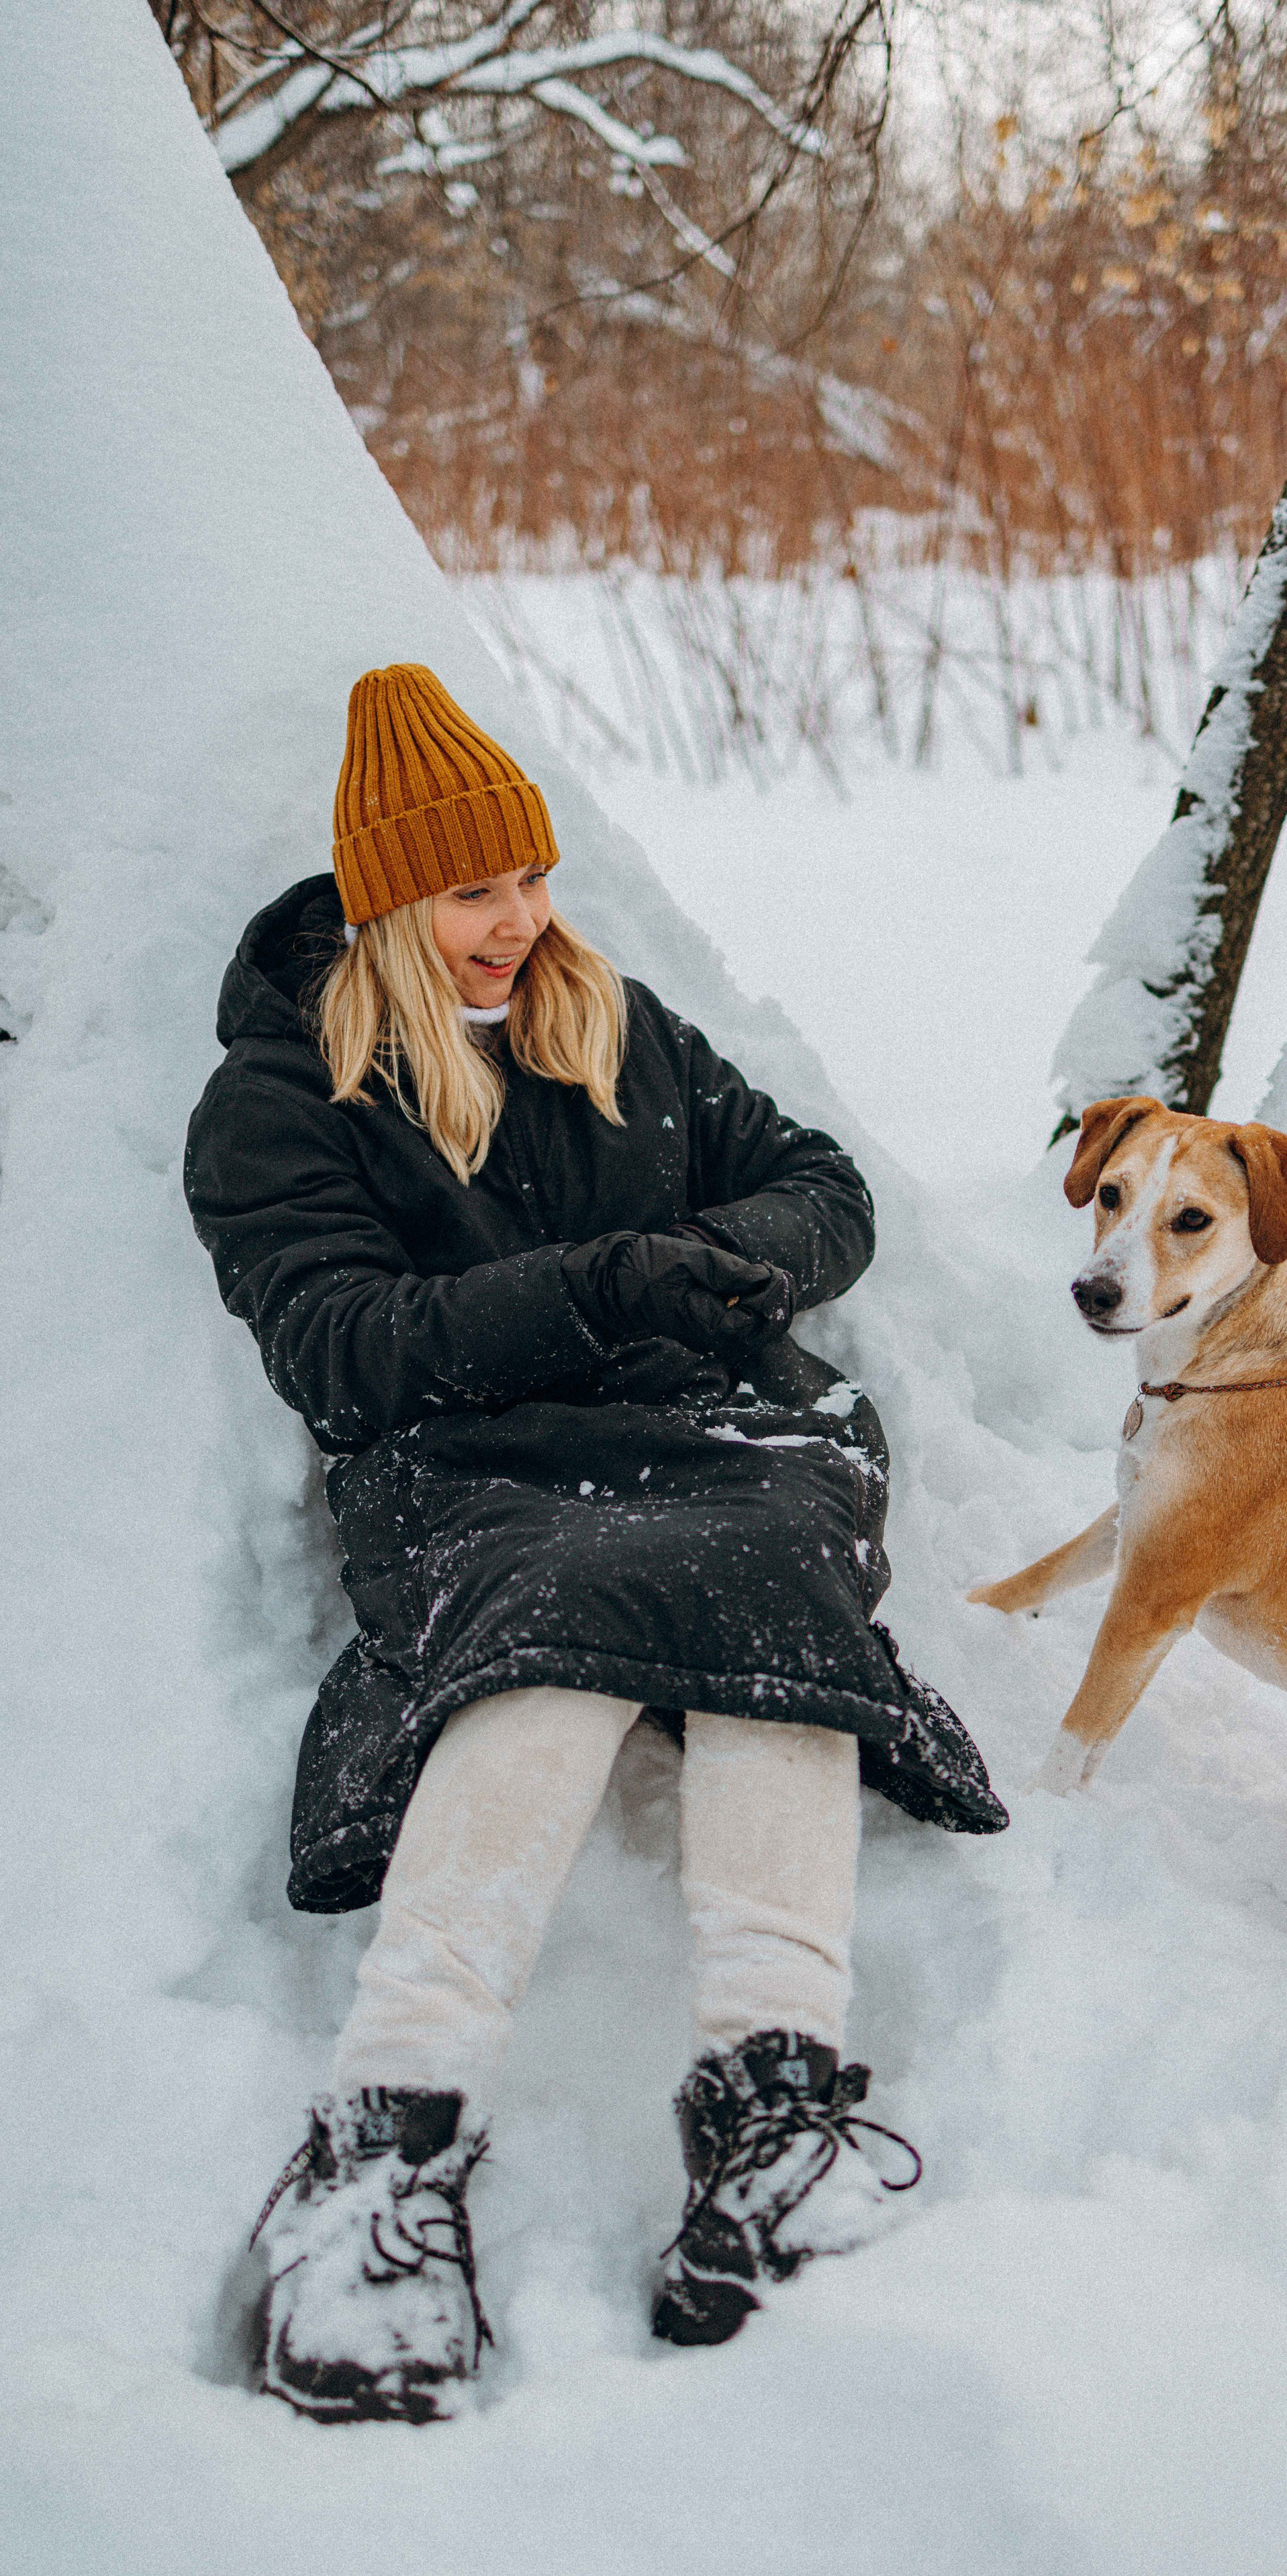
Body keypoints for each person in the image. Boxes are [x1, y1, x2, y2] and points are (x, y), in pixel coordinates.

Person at [183, 664, 1006, 2424]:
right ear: (393, 902)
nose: (521, 921)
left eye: (533, 878)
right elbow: (340, 1349)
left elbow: (823, 1187)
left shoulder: (613, 1023)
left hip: (709, 1427)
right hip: (472, 1466)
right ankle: (380, 2156)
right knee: (544, 1640)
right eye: (478, 892)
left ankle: (773, 2113)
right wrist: (603, 1286)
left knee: (776, 1570)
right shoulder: (281, 1098)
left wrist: (745, 1265)